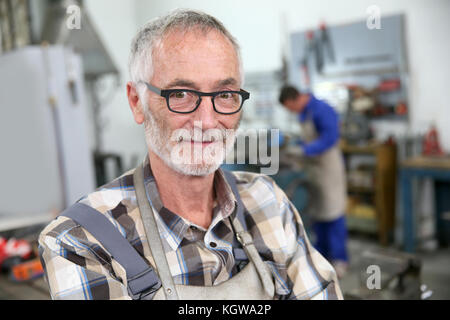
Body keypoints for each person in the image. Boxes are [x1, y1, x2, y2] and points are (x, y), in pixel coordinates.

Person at [38, 9, 342, 300]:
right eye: (180, 94)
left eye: (224, 95)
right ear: (136, 102)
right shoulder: (81, 241)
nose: (207, 122)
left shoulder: (268, 202)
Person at [278, 85, 349, 278]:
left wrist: (305, 151)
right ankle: (323, 256)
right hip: (314, 170)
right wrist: (297, 147)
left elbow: (330, 138)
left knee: (333, 213)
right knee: (318, 213)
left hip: (328, 168)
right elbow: (307, 139)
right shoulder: (304, 113)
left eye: (289, 108)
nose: (291, 112)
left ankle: (340, 259)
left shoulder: (321, 109)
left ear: (294, 99)